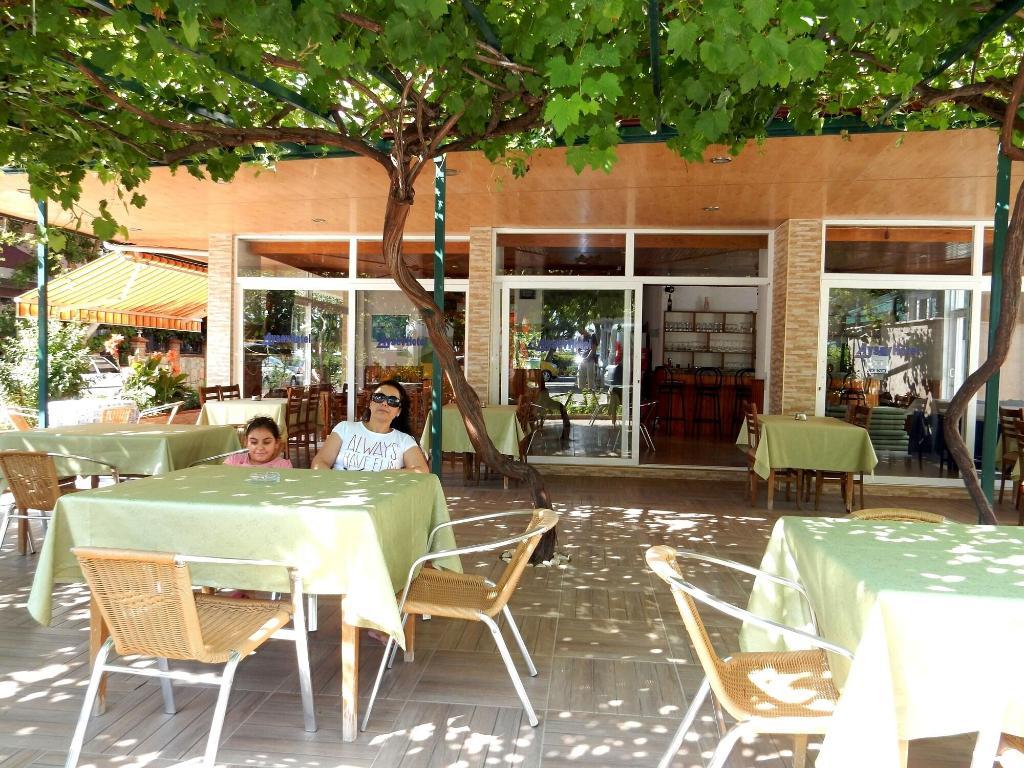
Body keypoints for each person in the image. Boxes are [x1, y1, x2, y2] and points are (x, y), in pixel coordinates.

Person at [311, 379, 429, 472]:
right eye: (379, 397)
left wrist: (391, 474)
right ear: (370, 403)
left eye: (392, 401)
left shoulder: (404, 440)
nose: (384, 403)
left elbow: (422, 470)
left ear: (398, 411)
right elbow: (319, 463)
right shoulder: (344, 428)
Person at [224, 416, 292, 468]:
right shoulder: (233, 461)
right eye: (254, 442)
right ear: (246, 442)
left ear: (276, 443)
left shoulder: (283, 466)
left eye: (267, 442)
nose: (260, 447)